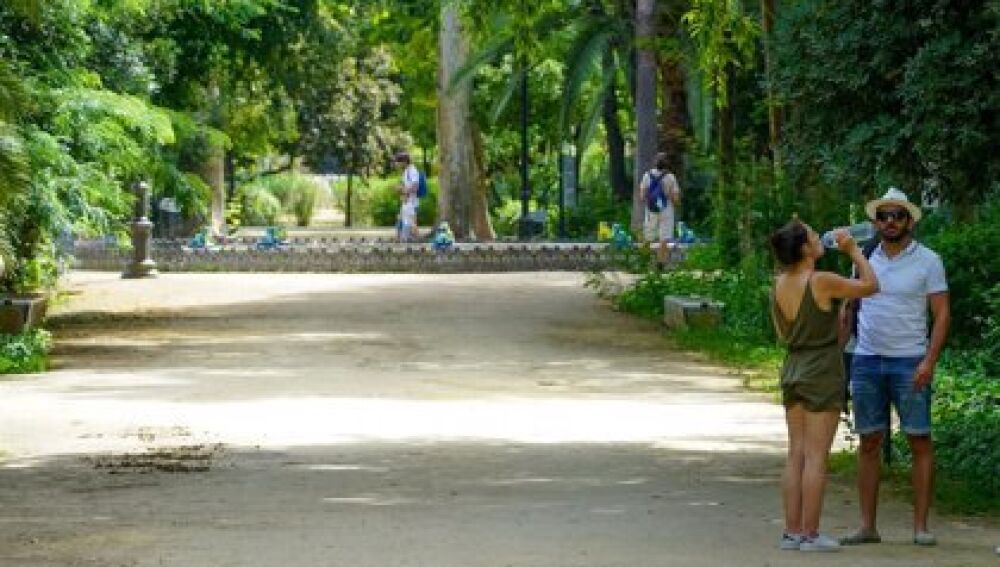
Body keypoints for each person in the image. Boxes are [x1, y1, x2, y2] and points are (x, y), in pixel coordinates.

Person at [840, 187, 950, 547]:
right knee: (869, 441)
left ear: (910, 222)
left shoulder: (929, 261)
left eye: (897, 216)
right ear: (875, 222)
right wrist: (837, 356)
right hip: (867, 359)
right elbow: (849, 309)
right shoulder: (863, 257)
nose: (890, 222)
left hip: (910, 360)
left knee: (919, 439)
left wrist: (929, 361)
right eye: (883, 216)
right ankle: (867, 526)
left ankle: (921, 526)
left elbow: (942, 314)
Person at [769, 218, 878, 552]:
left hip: (793, 367)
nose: (821, 239)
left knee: (796, 453)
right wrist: (855, 252)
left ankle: (792, 532)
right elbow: (871, 285)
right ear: (805, 248)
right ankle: (811, 534)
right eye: (814, 236)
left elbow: (782, 333)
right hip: (822, 370)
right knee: (817, 456)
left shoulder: (779, 283)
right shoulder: (822, 281)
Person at [638, 152, 680, 266]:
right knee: (664, 239)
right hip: (666, 209)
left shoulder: (647, 175)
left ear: (655, 162)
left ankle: (643, 262)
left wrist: (652, 197)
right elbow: (676, 199)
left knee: (647, 237)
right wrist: (669, 198)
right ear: (667, 163)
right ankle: (660, 263)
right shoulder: (671, 177)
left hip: (651, 209)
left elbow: (642, 196)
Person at [393, 152, 421, 242]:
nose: (397, 164)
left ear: (404, 161)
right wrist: (399, 188)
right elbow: (405, 184)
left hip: (411, 202)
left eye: (398, 162)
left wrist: (403, 191)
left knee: (412, 222)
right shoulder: (406, 171)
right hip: (406, 201)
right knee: (400, 219)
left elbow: (415, 186)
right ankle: (399, 238)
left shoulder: (412, 171)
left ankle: (416, 239)